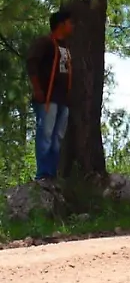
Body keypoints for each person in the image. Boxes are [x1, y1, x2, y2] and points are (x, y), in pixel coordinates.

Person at [25, 9, 74, 181]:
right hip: (47, 98)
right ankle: (43, 174)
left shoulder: (66, 47)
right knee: (45, 133)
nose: (72, 26)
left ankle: (51, 174)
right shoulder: (45, 42)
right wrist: (37, 89)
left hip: (63, 100)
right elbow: (32, 63)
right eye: (70, 22)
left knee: (57, 137)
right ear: (61, 24)